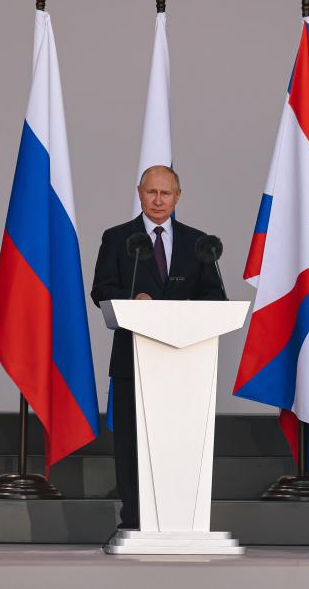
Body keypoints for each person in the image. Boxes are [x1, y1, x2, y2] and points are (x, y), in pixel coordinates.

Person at [90, 165, 226, 530]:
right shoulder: (118, 238)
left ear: (178, 196)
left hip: (186, 362)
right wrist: (134, 298)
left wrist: (190, 309)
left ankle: (181, 521)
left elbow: (215, 296)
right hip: (133, 359)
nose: (158, 200)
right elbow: (101, 289)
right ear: (140, 194)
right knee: (132, 444)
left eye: (166, 193)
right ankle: (134, 520)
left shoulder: (198, 243)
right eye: (151, 192)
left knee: (180, 443)